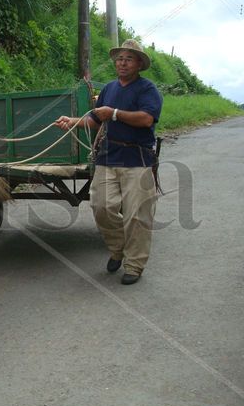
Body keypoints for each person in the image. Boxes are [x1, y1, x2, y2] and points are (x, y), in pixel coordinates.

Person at [55, 39, 163, 285]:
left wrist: (114, 114)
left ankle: (134, 265)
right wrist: (71, 121)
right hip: (108, 157)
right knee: (101, 207)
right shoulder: (109, 89)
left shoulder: (147, 90)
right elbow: (95, 119)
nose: (122, 62)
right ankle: (118, 248)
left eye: (129, 58)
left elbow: (147, 119)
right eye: (120, 58)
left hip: (137, 159)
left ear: (138, 64)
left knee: (137, 216)